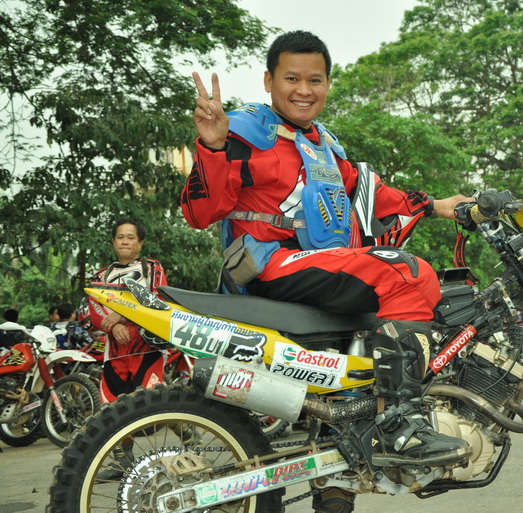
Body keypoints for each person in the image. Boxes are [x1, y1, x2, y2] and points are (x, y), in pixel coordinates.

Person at [181, 30, 471, 509]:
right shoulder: (242, 132)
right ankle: (399, 423)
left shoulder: (325, 146)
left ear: (328, 84)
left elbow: (372, 195)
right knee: (407, 274)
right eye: (291, 78)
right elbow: (199, 213)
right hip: (272, 266)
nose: (303, 89)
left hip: (319, 271)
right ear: (269, 80)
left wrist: (439, 205)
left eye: (315, 80)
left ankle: (339, 476)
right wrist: (211, 147)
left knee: (348, 376)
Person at [89, 218, 170, 479]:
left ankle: (192, 440)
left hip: (147, 348)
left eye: (131, 237)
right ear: (114, 242)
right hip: (115, 353)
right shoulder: (101, 275)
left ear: (140, 243)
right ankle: (121, 463)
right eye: (120, 237)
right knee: (112, 409)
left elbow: (157, 298)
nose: (125, 241)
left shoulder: (152, 268)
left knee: (156, 403)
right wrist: (112, 326)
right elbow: (94, 308)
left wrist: (122, 316)